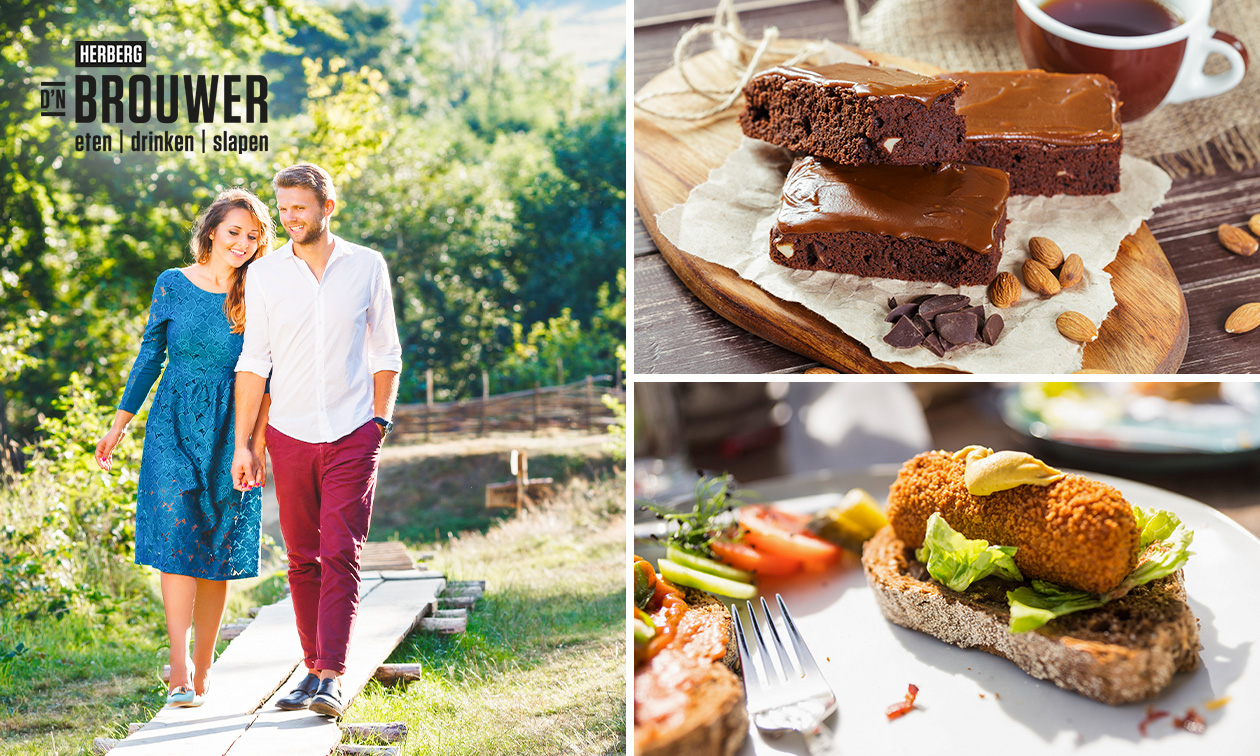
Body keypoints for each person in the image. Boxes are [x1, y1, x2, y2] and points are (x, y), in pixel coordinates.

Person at [231, 162, 401, 719]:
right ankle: (311, 668)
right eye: (282, 209)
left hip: (354, 430)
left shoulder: (367, 266)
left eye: (298, 208)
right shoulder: (265, 275)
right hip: (290, 433)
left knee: (339, 550)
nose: (288, 218)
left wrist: (380, 422)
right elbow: (255, 362)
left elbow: (386, 352)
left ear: (328, 208)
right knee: (302, 558)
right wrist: (245, 444)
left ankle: (331, 674)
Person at [95, 188, 274, 708]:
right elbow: (150, 355)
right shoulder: (172, 284)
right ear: (213, 230)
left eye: (253, 236)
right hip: (172, 422)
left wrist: (255, 444)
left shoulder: (259, 292)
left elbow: (267, 376)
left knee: (215, 544)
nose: (241, 243)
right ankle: (179, 667)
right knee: (176, 535)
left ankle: (205, 664)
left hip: (232, 429)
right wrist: (119, 424)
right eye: (234, 231)